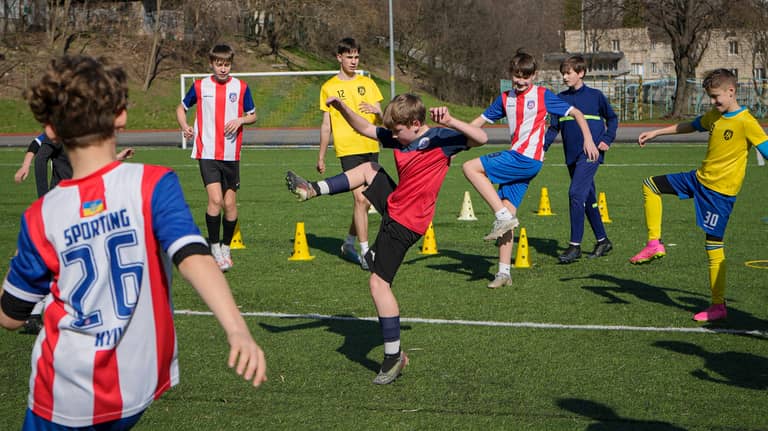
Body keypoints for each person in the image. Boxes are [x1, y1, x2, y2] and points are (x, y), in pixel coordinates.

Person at [0, 55, 266, 429]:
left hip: (61, 399)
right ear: (121, 116)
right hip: (135, 388)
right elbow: (193, 256)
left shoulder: (40, 217)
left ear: (51, 130)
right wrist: (236, 328)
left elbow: (10, 318)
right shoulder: (154, 184)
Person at [286, 93, 487, 384]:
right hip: (395, 206)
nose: (392, 136)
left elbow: (480, 138)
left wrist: (453, 120)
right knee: (370, 169)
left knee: (378, 284)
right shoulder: (402, 136)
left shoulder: (442, 139)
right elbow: (366, 129)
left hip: (406, 223)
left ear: (416, 124)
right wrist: (342, 108)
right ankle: (313, 189)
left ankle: (394, 356)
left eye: (397, 131)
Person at [631, 68, 768, 322]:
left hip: (719, 194)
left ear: (731, 91)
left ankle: (718, 305)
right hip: (698, 179)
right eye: (710, 98)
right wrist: (656, 132)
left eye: (716, 97)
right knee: (650, 185)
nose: (713, 102)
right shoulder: (716, 115)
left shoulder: (746, 122)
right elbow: (691, 125)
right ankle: (654, 243)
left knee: (713, 246)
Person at [462, 50, 598, 289]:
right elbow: (478, 123)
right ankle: (504, 272)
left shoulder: (544, 95)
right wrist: (458, 136)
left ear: (534, 75)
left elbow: (576, 113)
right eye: (516, 77)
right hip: (523, 163)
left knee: (470, 167)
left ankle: (501, 218)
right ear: (510, 75)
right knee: (508, 212)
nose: (521, 82)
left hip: (525, 159)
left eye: (526, 77)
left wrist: (588, 139)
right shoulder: (505, 99)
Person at [14, 134, 133, 335]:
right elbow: (41, 154)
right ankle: (30, 312)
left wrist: (117, 158)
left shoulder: (83, 129)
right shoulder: (61, 128)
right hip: (62, 201)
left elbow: (90, 164)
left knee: (71, 255)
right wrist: (44, 197)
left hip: (81, 200)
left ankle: (40, 313)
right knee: (48, 255)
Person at [176, 43, 257, 272]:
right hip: (207, 152)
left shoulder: (241, 87)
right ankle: (213, 248)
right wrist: (184, 126)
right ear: (211, 64)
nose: (223, 69)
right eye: (219, 64)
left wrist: (240, 120)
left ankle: (226, 248)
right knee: (216, 201)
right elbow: (181, 108)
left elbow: (252, 115)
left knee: (230, 204)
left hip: (231, 154)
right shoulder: (200, 86)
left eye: (227, 65)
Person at [544, 55, 618, 264]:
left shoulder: (595, 96)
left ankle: (574, 246)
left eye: (569, 73)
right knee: (587, 198)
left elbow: (612, 118)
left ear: (581, 73)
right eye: (563, 73)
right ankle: (603, 240)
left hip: (591, 154)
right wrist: (542, 148)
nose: (565, 77)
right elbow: (554, 128)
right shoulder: (560, 99)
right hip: (571, 156)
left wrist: (606, 139)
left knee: (576, 193)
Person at [317, 37, 384, 270]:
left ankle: (348, 243)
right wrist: (322, 156)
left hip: (371, 146)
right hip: (348, 149)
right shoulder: (329, 86)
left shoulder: (369, 83)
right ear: (339, 57)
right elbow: (326, 125)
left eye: (356, 57)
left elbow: (382, 117)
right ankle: (366, 253)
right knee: (361, 198)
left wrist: (378, 111)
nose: (354, 61)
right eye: (349, 57)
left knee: (364, 204)